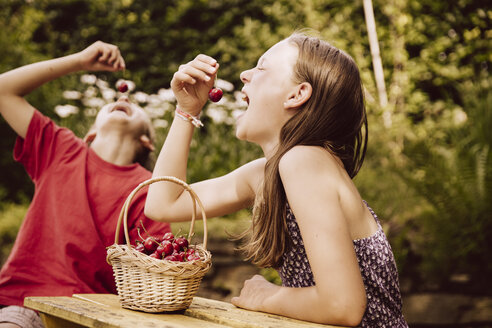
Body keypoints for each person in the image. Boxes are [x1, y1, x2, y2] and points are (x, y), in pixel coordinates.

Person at [144, 31, 408, 327]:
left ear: (297, 94)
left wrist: (265, 297)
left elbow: (343, 306)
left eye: (261, 67)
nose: (245, 74)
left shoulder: (305, 161)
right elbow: (163, 204)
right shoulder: (269, 172)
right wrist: (186, 111)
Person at [0, 41, 171, 328]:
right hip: (25, 304)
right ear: (90, 133)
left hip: (91, 317)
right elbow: (4, 89)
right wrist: (79, 61)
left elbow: (153, 274)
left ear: (147, 141)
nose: (125, 100)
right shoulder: (60, 148)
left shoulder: (151, 192)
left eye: (137, 108)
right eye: (113, 105)